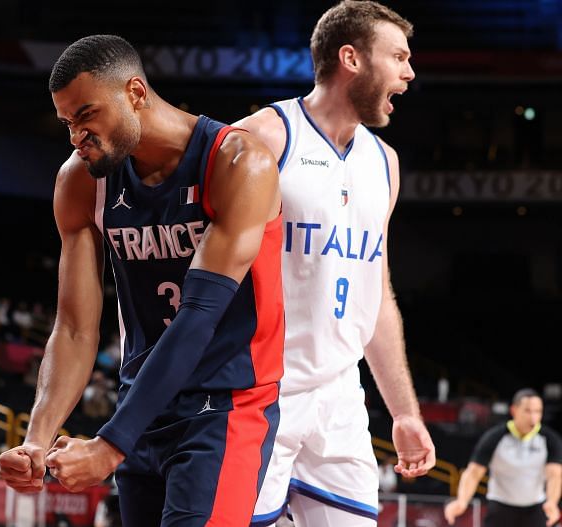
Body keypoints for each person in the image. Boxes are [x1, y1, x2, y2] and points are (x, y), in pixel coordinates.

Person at [0, 34, 285, 527]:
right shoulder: (80, 180)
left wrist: (110, 445)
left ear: (134, 92)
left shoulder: (238, 162)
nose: (75, 137)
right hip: (141, 408)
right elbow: (73, 329)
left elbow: (198, 317)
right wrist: (37, 439)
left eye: (86, 116)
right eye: (68, 123)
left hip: (224, 406)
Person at [233, 2, 436, 525]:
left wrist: (405, 412)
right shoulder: (265, 136)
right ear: (351, 58)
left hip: (341, 400)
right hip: (257, 394)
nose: (409, 73)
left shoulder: (384, 163)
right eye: (398, 57)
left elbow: (377, 297)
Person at [444, 388, 562, 527]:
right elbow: (473, 473)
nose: (533, 417)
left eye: (538, 411)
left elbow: (555, 474)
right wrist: (462, 500)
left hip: (535, 508)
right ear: (514, 410)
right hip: (500, 507)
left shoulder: (550, 439)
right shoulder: (495, 437)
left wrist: (552, 502)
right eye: (528, 411)